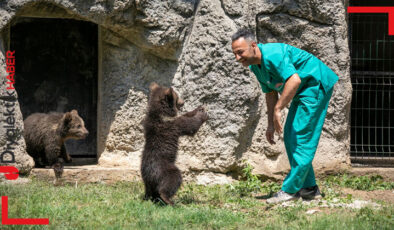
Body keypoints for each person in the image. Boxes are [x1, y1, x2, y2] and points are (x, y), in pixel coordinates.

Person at [231, 29, 338, 204]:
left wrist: (279, 109)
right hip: (300, 91)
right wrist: (270, 125)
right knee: (290, 137)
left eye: (240, 52)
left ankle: (290, 191)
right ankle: (309, 188)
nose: (237, 58)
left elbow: (294, 80)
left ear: (253, 46)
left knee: (301, 138)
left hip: (314, 85)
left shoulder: (273, 55)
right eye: (235, 53)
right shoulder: (255, 66)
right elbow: (270, 92)